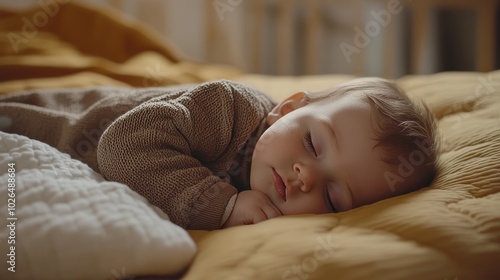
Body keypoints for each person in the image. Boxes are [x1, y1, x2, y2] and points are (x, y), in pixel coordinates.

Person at [96, 78, 439, 230]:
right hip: (59, 128)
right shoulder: (229, 108)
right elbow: (120, 147)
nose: (306, 176)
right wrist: (223, 206)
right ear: (287, 109)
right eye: (312, 144)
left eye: (332, 198)